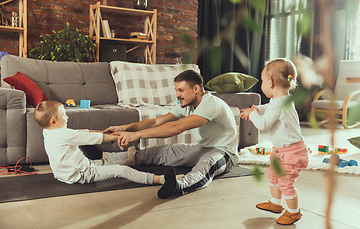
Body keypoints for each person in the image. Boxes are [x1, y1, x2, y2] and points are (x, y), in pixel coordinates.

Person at [104, 69, 239, 199]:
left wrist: (137, 135)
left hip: (224, 153)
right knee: (163, 151)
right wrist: (123, 128)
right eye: (176, 91)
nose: (177, 95)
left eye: (181, 90)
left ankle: (178, 186)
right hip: (202, 148)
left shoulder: (211, 104)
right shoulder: (186, 105)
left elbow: (178, 127)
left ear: (196, 89)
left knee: (206, 164)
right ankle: (107, 156)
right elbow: (155, 122)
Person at [239, 58, 309, 225]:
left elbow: (263, 124)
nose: (262, 84)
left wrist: (252, 114)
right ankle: (275, 204)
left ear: (270, 82)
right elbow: (269, 109)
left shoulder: (279, 104)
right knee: (273, 176)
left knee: (285, 183)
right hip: (282, 151)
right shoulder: (281, 100)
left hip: (292, 153)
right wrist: (257, 109)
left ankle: (293, 212)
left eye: (263, 81)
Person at [33, 100, 165, 185]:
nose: (67, 117)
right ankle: (160, 179)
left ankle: (129, 160)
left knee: (107, 162)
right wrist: (119, 136)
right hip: (81, 174)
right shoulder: (63, 134)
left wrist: (106, 132)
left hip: (68, 172)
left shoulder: (49, 132)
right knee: (122, 170)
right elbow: (92, 138)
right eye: (63, 115)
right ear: (53, 121)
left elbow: (84, 132)